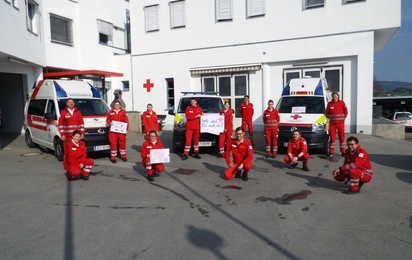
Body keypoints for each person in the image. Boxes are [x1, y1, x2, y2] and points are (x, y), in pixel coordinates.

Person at [58, 98, 84, 166]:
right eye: (69, 102)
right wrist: (62, 134)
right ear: (66, 104)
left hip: (76, 136)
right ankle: (67, 164)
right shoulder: (63, 113)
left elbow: (81, 124)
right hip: (67, 136)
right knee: (67, 150)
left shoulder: (78, 112)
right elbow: (60, 125)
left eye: (72, 102)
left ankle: (77, 163)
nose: (71, 103)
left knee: (77, 150)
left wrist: (82, 133)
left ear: (74, 103)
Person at [326, 92, 348, 157]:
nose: (334, 97)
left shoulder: (342, 103)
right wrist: (331, 118)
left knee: (342, 137)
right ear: (332, 97)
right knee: (332, 138)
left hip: (341, 124)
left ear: (338, 96)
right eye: (333, 96)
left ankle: (343, 151)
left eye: (335, 96)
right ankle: (331, 152)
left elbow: (346, 112)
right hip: (332, 124)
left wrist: (342, 119)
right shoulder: (329, 104)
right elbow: (327, 113)